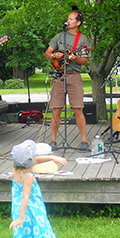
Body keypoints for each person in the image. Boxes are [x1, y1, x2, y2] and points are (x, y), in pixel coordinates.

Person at [9, 140, 67, 238]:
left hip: (18, 210)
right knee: (37, 237)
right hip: (32, 211)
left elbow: (35, 160)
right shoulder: (28, 176)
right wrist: (21, 218)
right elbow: (26, 197)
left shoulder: (15, 172)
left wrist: (52, 157)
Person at [45, 11, 91, 151]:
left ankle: (84, 140)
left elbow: (84, 60)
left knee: (77, 109)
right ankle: (53, 140)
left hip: (74, 75)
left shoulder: (82, 39)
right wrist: (55, 55)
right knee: (56, 109)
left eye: (71, 19)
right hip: (59, 75)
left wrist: (74, 58)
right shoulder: (59, 36)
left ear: (78, 23)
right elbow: (48, 53)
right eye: (68, 19)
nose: (68, 21)